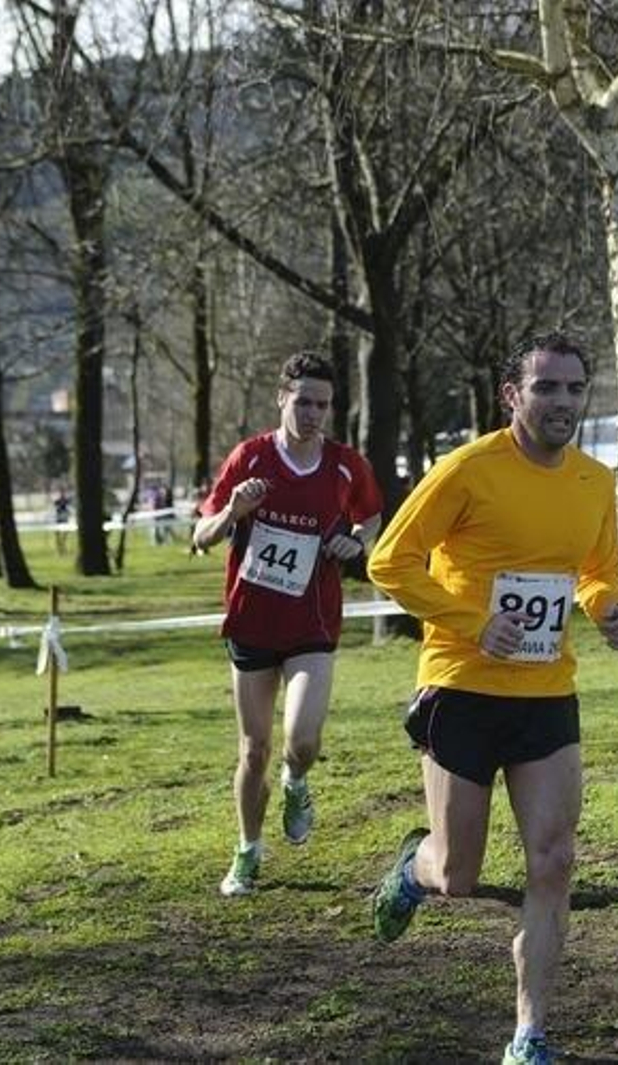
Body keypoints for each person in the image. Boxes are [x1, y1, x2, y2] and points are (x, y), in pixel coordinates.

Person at [366, 333, 618, 1065]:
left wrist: (610, 608)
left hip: (547, 693)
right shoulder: (467, 470)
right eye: (546, 387)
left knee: (553, 859)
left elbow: (594, 569)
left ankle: (529, 1034)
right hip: (462, 686)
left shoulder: (593, 480)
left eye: (576, 389)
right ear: (512, 395)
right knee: (459, 874)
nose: (563, 402)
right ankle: (411, 870)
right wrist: (474, 621)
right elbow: (388, 560)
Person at [192, 353, 383, 897]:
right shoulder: (250, 458)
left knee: (302, 740)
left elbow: (370, 514)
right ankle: (248, 852)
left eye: (323, 404)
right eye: (303, 402)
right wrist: (233, 512)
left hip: (312, 623)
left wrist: (357, 540)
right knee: (253, 750)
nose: (314, 413)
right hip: (252, 622)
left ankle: (297, 781)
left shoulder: (346, 465)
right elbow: (202, 536)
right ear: (282, 398)